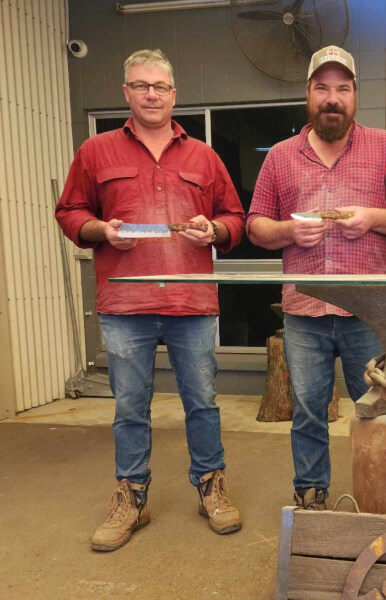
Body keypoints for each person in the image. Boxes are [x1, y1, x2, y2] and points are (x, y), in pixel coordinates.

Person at [55, 49, 246, 552]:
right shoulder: (95, 151)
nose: (151, 94)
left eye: (160, 86)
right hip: (125, 302)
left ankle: (211, 486)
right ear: (127, 93)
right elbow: (70, 211)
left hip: (190, 300)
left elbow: (236, 217)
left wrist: (215, 230)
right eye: (141, 86)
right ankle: (131, 497)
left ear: (174, 94)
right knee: (130, 407)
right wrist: (100, 230)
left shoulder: (203, 156)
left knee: (201, 402)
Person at [247, 46, 386, 510]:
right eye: (322, 88)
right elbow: (255, 225)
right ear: (308, 94)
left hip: (368, 309)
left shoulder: (385, 146)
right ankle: (311, 495)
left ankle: (382, 494)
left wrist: (373, 217)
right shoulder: (280, 156)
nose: (332, 98)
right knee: (307, 411)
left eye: (342, 88)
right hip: (305, 310)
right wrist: (289, 231)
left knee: (379, 409)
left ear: (355, 95)